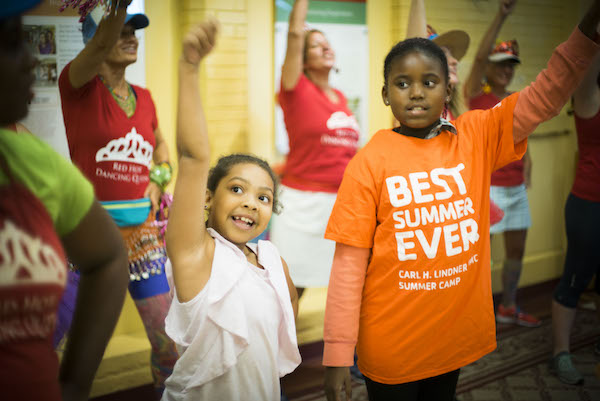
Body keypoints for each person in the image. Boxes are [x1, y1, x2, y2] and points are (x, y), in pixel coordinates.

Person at [321, 1, 600, 399]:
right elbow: (348, 268)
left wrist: (587, 31)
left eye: (429, 82)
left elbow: (546, 95)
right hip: (391, 342)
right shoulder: (369, 163)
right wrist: (336, 355)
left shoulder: (476, 136)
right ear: (385, 94)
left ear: (447, 88)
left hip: (449, 338)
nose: (416, 93)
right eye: (402, 83)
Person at [160, 20, 301, 401]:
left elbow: (287, 312)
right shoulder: (197, 255)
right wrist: (189, 68)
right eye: (236, 189)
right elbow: (193, 156)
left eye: (264, 197)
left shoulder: (272, 258)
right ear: (208, 198)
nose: (250, 203)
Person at [0, 1, 129, 400]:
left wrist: (73, 385)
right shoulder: (77, 86)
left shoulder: (31, 162)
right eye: (10, 44)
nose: (30, 61)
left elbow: (108, 259)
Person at [58, 1, 177, 397]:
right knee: (61, 346)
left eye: (134, 30)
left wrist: (158, 181)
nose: (131, 38)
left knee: (168, 345)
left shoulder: (144, 97)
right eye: (121, 30)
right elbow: (91, 54)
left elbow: (162, 148)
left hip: (143, 241)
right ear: (95, 38)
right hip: (87, 242)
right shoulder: (76, 87)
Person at [270, 0, 360, 300]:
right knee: (291, 288)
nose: (326, 48)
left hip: (340, 205)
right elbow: (295, 35)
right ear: (302, 58)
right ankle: (279, 345)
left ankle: (350, 346)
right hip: (301, 205)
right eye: (316, 45)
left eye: (327, 44)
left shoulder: (341, 98)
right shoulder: (294, 88)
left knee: (347, 286)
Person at [463, 0, 539, 328]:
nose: (506, 70)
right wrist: (501, 15)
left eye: (511, 65)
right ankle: (476, 314)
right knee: (481, 257)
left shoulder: (516, 100)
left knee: (517, 251)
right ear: (490, 68)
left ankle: (508, 306)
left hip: (516, 186)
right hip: (489, 188)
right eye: (501, 64)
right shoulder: (475, 96)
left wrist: (529, 165)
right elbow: (478, 58)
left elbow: (521, 138)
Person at [550, 52, 600, 386]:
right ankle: (560, 354)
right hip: (588, 205)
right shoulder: (589, 99)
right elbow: (587, 61)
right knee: (574, 280)